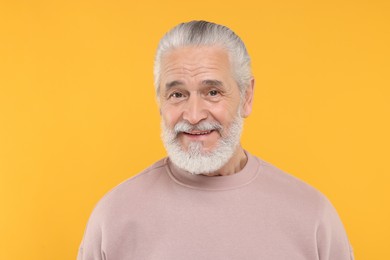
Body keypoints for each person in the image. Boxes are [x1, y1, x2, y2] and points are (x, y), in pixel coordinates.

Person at [77, 20, 354, 260]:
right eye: (177, 94)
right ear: (159, 103)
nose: (194, 115)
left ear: (246, 97)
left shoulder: (312, 216)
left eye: (212, 92)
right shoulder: (113, 217)